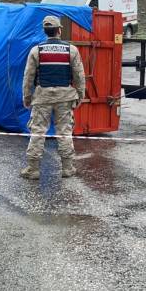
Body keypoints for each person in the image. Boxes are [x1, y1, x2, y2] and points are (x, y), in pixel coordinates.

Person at [20, 16, 86, 180]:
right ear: (59, 30)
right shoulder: (71, 50)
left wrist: (27, 97)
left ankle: (33, 169)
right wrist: (80, 95)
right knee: (64, 132)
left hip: (42, 98)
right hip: (65, 98)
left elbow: (28, 77)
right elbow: (79, 76)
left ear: (45, 31)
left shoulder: (36, 51)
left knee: (38, 132)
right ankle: (68, 168)